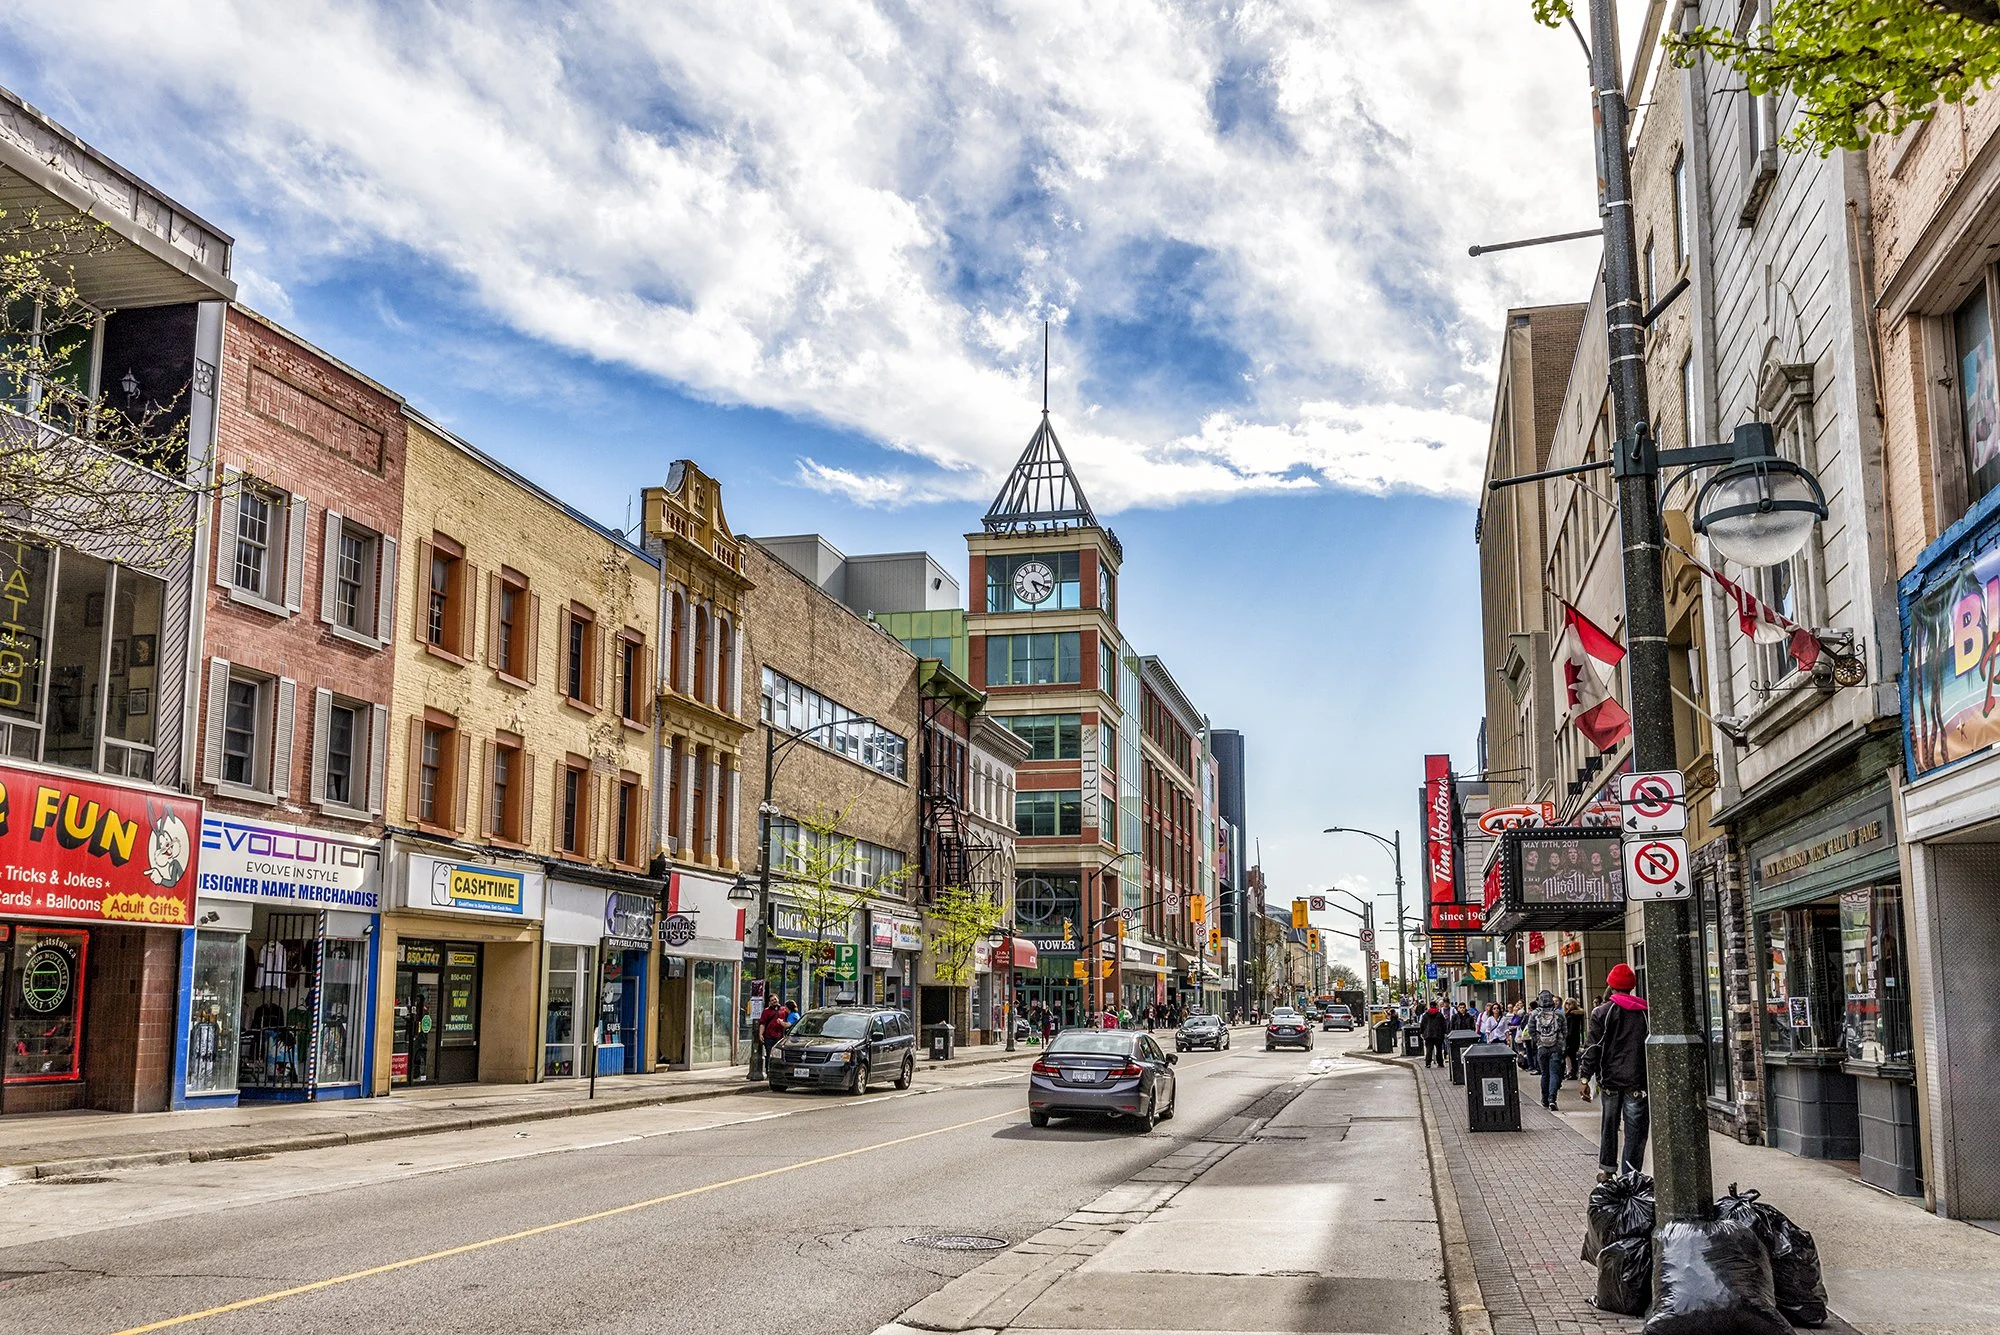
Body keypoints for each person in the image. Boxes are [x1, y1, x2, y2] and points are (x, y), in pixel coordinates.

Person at [1580, 963, 1650, 1180]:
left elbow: (1594, 1046)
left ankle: (1607, 1169)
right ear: (1631, 987)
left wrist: (1584, 1076)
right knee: (1635, 1132)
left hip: (1610, 1080)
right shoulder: (1645, 1013)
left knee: (1609, 1126)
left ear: (1611, 984)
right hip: (1637, 1081)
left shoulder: (1602, 1012)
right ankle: (1630, 1175)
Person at [1524, 989, 1567, 1111]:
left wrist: (1538, 1040)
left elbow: (1531, 1030)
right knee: (1554, 1073)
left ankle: (1544, 1099)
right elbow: (1565, 1031)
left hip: (1542, 1047)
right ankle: (1552, 1099)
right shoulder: (1559, 1014)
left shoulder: (1535, 1014)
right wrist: (1561, 1044)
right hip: (1556, 1047)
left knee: (1544, 1074)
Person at [760, 995, 791, 1063]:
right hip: (769, 1037)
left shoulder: (784, 1010)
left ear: (778, 999)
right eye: (772, 1000)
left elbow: (790, 1020)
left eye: (775, 999)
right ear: (770, 1002)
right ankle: (768, 1069)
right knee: (769, 1055)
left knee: (780, 1056)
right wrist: (761, 1034)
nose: (774, 1001)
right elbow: (762, 1023)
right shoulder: (766, 1011)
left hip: (780, 1037)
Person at [1563, 995, 1587, 1083]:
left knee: (1571, 1055)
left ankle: (1573, 1072)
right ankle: (1571, 1072)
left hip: (1571, 1038)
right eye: (1566, 1004)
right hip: (1572, 1038)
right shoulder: (1570, 1014)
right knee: (1569, 1055)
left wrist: (1567, 1037)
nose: (1567, 1005)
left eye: (1569, 1004)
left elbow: (1572, 1029)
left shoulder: (1573, 1015)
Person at [1418, 1001, 1449, 1067]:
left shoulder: (1426, 1015)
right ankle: (1440, 1063)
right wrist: (1445, 1032)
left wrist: (1421, 1032)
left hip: (1428, 1034)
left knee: (1429, 1049)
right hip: (1438, 1034)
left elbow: (1422, 1024)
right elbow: (1443, 1024)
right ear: (1436, 1006)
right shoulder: (1440, 1015)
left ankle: (1428, 1063)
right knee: (1439, 1050)